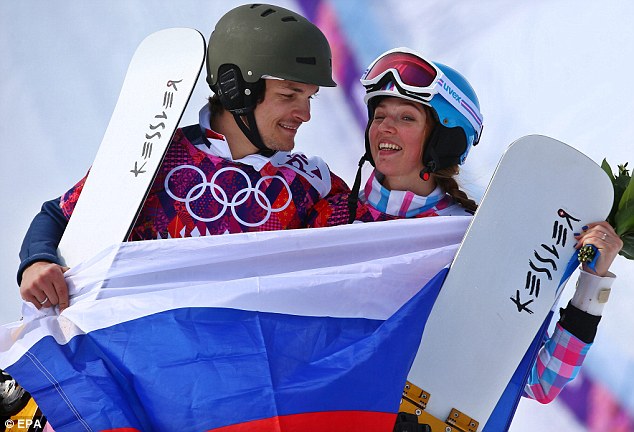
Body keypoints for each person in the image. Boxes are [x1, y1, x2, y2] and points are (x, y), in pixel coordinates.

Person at [307, 47, 623, 429]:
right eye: (379, 115)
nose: (384, 128)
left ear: (444, 140)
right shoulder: (329, 217)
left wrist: (592, 286)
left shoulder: (477, 242)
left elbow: (541, 381)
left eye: (406, 117)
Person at [17, 3, 349, 311]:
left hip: (239, 365)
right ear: (236, 88)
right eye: (289, 94)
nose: (304, 113)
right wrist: (39, 263)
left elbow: (368, 248)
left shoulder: (309, 183)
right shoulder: (157, 156)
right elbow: (59, 215)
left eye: (309, 98)